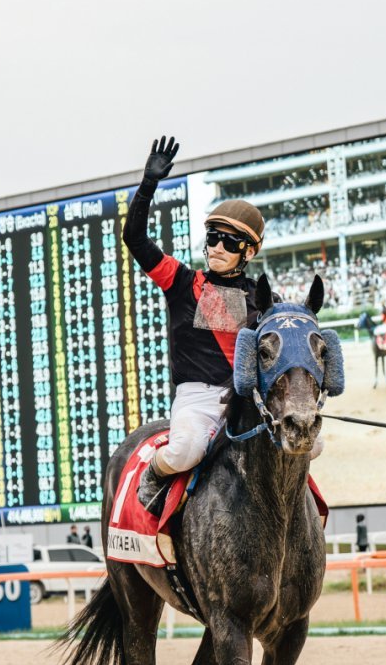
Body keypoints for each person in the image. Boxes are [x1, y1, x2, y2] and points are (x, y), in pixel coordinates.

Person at [125, 135, 302, 507]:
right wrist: (148, 185)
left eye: (230, 242)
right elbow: (135, 239)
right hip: (197, 402)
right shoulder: (181, 281)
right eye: (213, 238)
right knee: (185, 451)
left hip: (247, 401)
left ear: (249, 251)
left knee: (310, 445)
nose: (218, 247)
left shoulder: (267, 299)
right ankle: (152, 473)